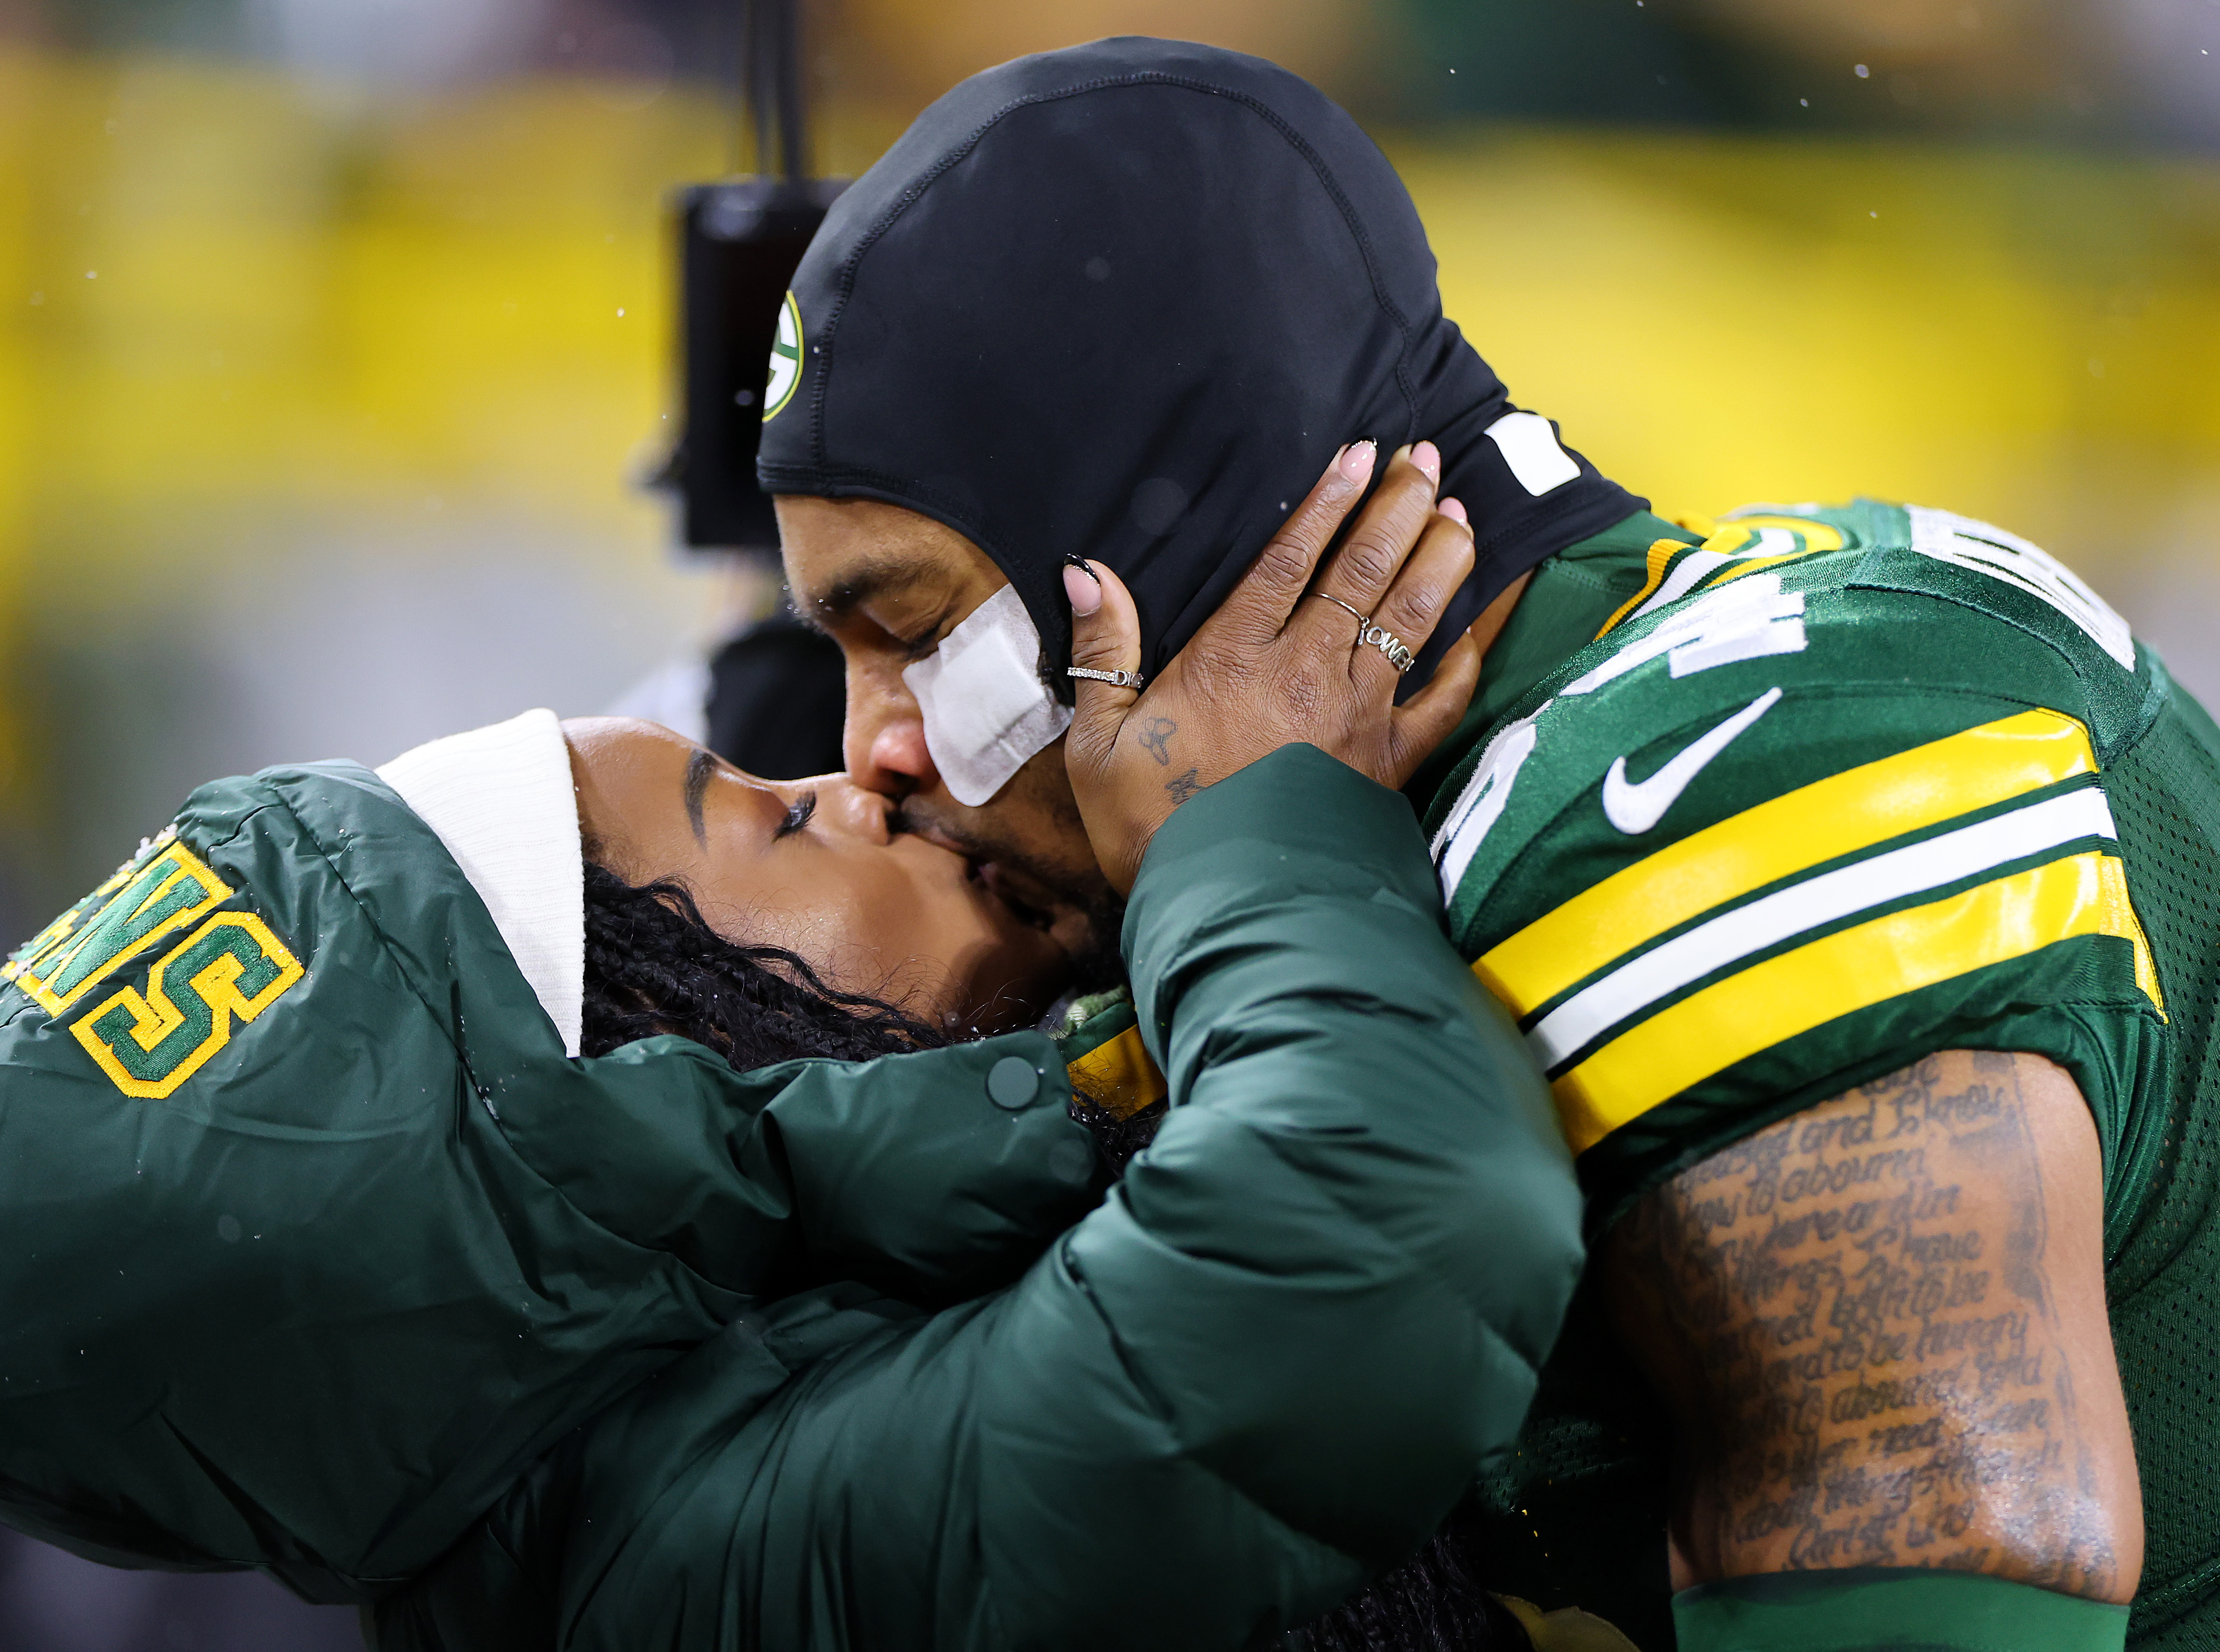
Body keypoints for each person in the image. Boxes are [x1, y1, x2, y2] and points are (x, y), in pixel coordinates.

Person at [760, 36, 2220, 1652]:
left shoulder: (1727, 775)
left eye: (914, 629)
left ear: (1158, 545)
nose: (870, 752)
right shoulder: (1395, 852)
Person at [0, 475, 1584, 1650]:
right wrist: (1260, 827)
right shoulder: (708, 1560)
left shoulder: (634, 1450)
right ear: (637, 1066)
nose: (865, 779)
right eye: (761, 816)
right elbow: (1388, 1218)